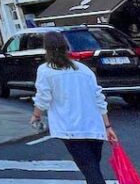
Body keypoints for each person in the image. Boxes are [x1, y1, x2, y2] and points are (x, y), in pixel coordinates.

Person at [30, 31, 118, 184]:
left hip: (70, 128)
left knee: (90, 170)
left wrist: (36, 116)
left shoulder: (45, 70)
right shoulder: (83, 69)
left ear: (47, 49)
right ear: (66, 47)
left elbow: (43, 98)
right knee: (92, 167)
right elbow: (99, 98)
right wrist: (107, 126)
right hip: (94, 127)